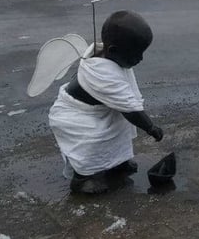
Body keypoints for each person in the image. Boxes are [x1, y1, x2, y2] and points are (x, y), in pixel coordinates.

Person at [48, 10, 164, 194]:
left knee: (118, 128)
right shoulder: (102, 73)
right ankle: (82, 177)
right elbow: (130, 110)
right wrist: (150, 127)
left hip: (101, 110)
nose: (140, 59)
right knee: (94, 139)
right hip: (78, 116)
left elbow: (125, 103)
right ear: (113, 51)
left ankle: (116, 162)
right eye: (135, 54)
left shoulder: (110, 56)